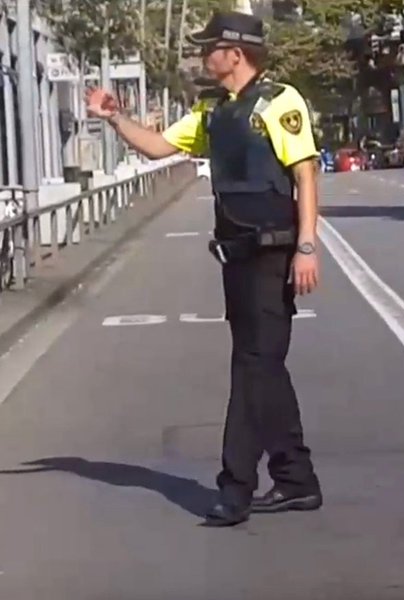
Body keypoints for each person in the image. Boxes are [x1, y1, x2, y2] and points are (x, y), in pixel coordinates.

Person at [85, 10, 323, 527]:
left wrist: (307, 247)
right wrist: (114, 118)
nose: (201, 55)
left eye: (209, 47)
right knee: (263, 366)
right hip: (235, 256)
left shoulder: (279, 102)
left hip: (273, 254)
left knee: (252, 367)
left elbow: (305, 174)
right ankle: (296, 479)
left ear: (235, 54)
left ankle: (235, 488)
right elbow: (158, 147)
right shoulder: (212, 110)